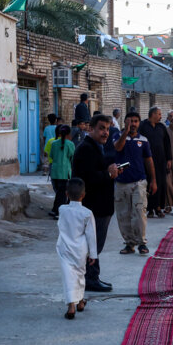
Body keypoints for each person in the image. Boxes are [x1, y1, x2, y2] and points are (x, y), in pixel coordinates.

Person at [72, 114, 120, 292]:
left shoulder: (97, 147)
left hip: (101, 206)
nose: (105, 132)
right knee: (92, 245)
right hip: (93, 206)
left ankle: (93, 276)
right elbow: (88, 178)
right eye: (101, 128)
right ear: (91, 129)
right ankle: (89, 278)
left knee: (95, 245)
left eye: (107, 129)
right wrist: (109, 174)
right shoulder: (86, 149)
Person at [113, 112, 157, 255]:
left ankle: (141, 243)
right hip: (121, 183)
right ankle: (129, 243)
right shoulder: (117, 136)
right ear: (125, 122)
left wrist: (153, 180)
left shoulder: (143, 140)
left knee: (139, 213)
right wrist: (125, 132)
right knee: (123, 215)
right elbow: (118, 148)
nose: (133, 124)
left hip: (139, 182)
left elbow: (149, 161)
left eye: (136, 121)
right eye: (130, 121)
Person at [55, 178, 97, 319]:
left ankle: (71, 305)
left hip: (65, 248)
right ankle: (79, 301)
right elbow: (91, 235)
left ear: (66, 194)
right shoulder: (87, 213)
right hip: (80, 249)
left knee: (68, 275)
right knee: (80, 274)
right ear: (83, 195)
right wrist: (93, 255)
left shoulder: (62, 209)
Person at [139, 107, 172, 218]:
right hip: (147, 161)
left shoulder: (161, 127)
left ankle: (158, 207)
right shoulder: (143, 126)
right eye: (159, 114)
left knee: (160, 183)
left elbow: (167, 144)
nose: (161, 116)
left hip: (161, 161)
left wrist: (169, 159)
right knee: (148, 183)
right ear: (153, 114)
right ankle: (150, 209)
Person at [49, 125, 75, 219]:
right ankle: (58, 211)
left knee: (59, 192)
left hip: (55, 171)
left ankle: (55, 209)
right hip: (64, 171)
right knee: (62, 193)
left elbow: (51, 155)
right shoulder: (70, 144)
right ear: (69, 134)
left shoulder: (54, 143)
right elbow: (72, 156)